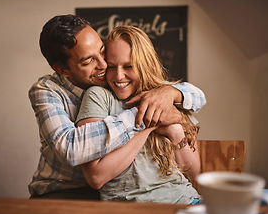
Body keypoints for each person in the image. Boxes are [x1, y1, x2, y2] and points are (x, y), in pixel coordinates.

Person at [28, 14, 207, 200]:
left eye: (102, 51)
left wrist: (170, 93)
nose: (104, 65)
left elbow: (198, 97)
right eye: (88, 61)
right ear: (63, 70)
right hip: (62, 192)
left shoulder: (115, 82)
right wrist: (147, 116)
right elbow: (72, 148)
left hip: (171, 196)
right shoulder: (47, 91)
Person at [75, 26, 201, 204]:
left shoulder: (166, 98)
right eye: (111, 66)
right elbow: (96, 177)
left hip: (188, 201)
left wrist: (176, 133)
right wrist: (149, 126)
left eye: (129, 66)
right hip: (132, 211)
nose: (119, 76)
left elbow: (194, 174)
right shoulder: (98, 97)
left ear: (145, 65)